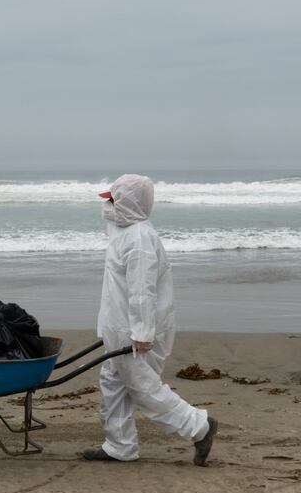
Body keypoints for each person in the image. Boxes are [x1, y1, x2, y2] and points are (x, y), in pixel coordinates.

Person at [83, 174, 217, 466]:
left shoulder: (140, 239)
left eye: (113, 200)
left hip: (137, 330)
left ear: (127, 203)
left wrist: (142, 333)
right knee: (113, 382)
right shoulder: (124, 231)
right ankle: (120, 445)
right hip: (119, 327)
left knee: (142, 387)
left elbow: (142, 293)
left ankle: (200, 427)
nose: (107, 205)